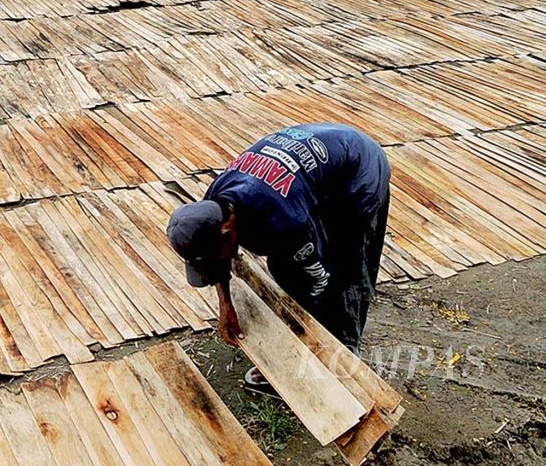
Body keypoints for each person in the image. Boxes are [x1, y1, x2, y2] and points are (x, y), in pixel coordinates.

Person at [166, 123, 390, 390]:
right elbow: (220, 262)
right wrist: (225, 305)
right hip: (318, 167)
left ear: (227, 235)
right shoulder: (213, 202)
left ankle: (341, 367)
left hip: (358, 172)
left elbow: (318, 283)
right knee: (286, 269)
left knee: (345, 273)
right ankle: (309, 355)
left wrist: (299, 349)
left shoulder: (284, 219)